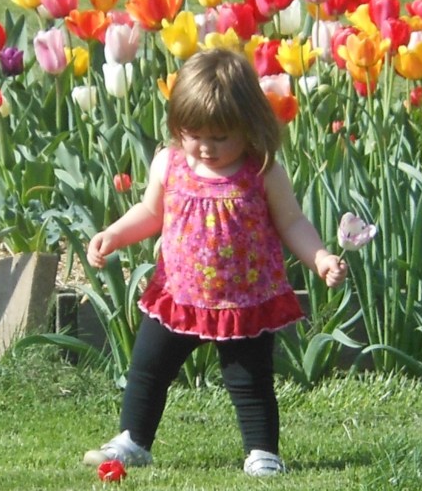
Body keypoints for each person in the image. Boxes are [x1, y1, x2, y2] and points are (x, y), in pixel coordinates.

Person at [82, 47, 348, 477]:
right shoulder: (169, 165)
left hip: (243, 300)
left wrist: (318, 256)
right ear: (177, 127)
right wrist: (114, 233)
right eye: (194, 134)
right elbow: (151, 213)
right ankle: (133, 439)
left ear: (249, 126)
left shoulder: (262, 171)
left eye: (221, 137)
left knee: (249, 380)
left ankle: (262, 452)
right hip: (179, 295)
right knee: (148, 369)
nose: (206, 147)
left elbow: (292, 221)